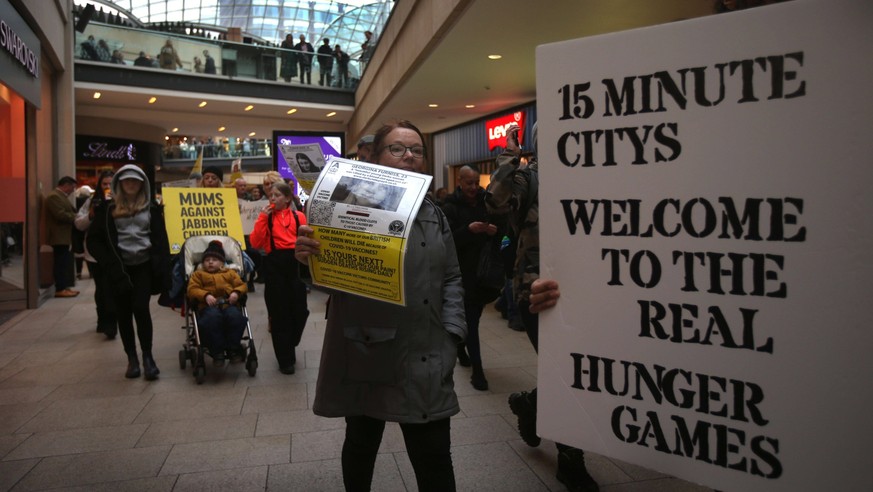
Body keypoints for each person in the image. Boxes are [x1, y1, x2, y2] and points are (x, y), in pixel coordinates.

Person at [294, 120, 466, 491]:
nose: (409, 156)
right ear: (377, 157)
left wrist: (453, 332)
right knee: (360, 443)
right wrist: (308, 258)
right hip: (367, 348)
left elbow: (452, 276)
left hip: (426, 350)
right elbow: (328, 279)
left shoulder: (434, 212)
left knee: (434, 456)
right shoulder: (348, 205)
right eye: (398, 148)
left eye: (416, 150)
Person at [486, 123, 599, 492]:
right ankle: (571, 461)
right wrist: (508, 155)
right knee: (565, 376)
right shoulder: (527, 178)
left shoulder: (593, 175)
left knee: (580, 374)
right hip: (538, 293)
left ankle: (530, 403)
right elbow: (495, 201)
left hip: (589, 291)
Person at [87, 164, 170, 381]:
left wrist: (162, 264)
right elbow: (93, 240)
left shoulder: (151, 209)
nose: (131, 184)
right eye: (127, 181)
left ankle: (148, 357)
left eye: (135, 180)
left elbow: (161, 238)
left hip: (143, 265)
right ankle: (131, 358)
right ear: (120, 184)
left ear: (142, 184)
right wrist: (108, 263)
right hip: (118, 269)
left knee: (141, 309)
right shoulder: (107, 210)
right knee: (123, 313)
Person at [441, 164, 503, 391]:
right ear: (460, 181)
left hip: (483, 273)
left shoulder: (486, 203)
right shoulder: (449, 206)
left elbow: (505, 238)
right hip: (461, 274)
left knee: (471, 318)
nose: (474, 187)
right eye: (470, 183)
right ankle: (478, 372)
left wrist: (497, 234)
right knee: (472, 322)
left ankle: (460, 348)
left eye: (477, 183)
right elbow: (446, 243)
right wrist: (469, 230)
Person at [250, 182, 309, 374]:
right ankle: (285, 360)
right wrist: (261, 218)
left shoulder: (298, 216)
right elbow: (256, 242)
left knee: (300, 311)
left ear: (287, 198)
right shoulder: (266, 218)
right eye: (270, 195)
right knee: (279, 314)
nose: (272, 198)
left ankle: (292, 339)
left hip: (296, 265)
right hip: (274, 266)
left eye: (276, 195)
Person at [187, 240, 248, 366]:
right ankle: (217, 351)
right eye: (207, 260)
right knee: (211, 319)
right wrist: (205, 295)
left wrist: (236, 293)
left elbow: (242, 285)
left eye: (214, 259)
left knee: (237, 318)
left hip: (228, 304)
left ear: (222, 262)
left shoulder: (230, 273)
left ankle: (233, 348)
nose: (210, 262)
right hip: (208, 307)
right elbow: (192, 289)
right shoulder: (198, 275)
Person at [75, 171, 117, 338]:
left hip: (115, 251)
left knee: (113, 287)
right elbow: (79, 223)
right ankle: (104, 320)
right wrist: (91, 214)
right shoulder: (91, 202)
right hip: (95, 254)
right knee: (102, 288)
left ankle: (112, 321)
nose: (108, 187)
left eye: (111, 184)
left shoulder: (124, 200)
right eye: (104, 184)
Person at [45, 176, 80, 298]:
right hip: (58, 235)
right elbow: (60, 214)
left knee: (63, 262)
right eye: (72, 187)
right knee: (60, 262)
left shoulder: (60, 196)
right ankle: (60, 288)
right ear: (66, 185)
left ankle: (64, 287)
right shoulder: (54, 196)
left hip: (63, 235)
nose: (72, 190)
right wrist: (76, 217)